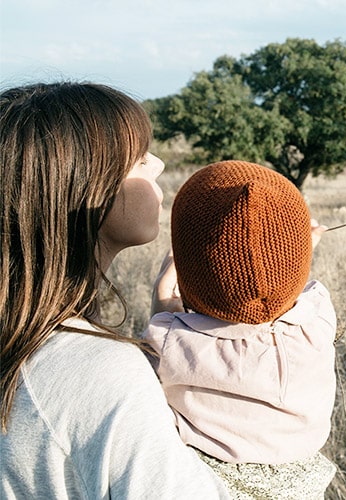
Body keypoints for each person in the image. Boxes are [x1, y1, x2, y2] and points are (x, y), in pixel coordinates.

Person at [0, 82, 229, 499]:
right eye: (140, 159)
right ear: (84, 186)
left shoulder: (27, 344)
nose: (158, 165)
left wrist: (166, 329)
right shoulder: (97, 371)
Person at [144, 160, 337, 499]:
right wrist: (290, 247)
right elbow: (293, 286)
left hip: (214, 486)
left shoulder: (172, 342)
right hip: (303, 488)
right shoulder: (318, 320)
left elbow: (148, 377)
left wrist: (161, 305)